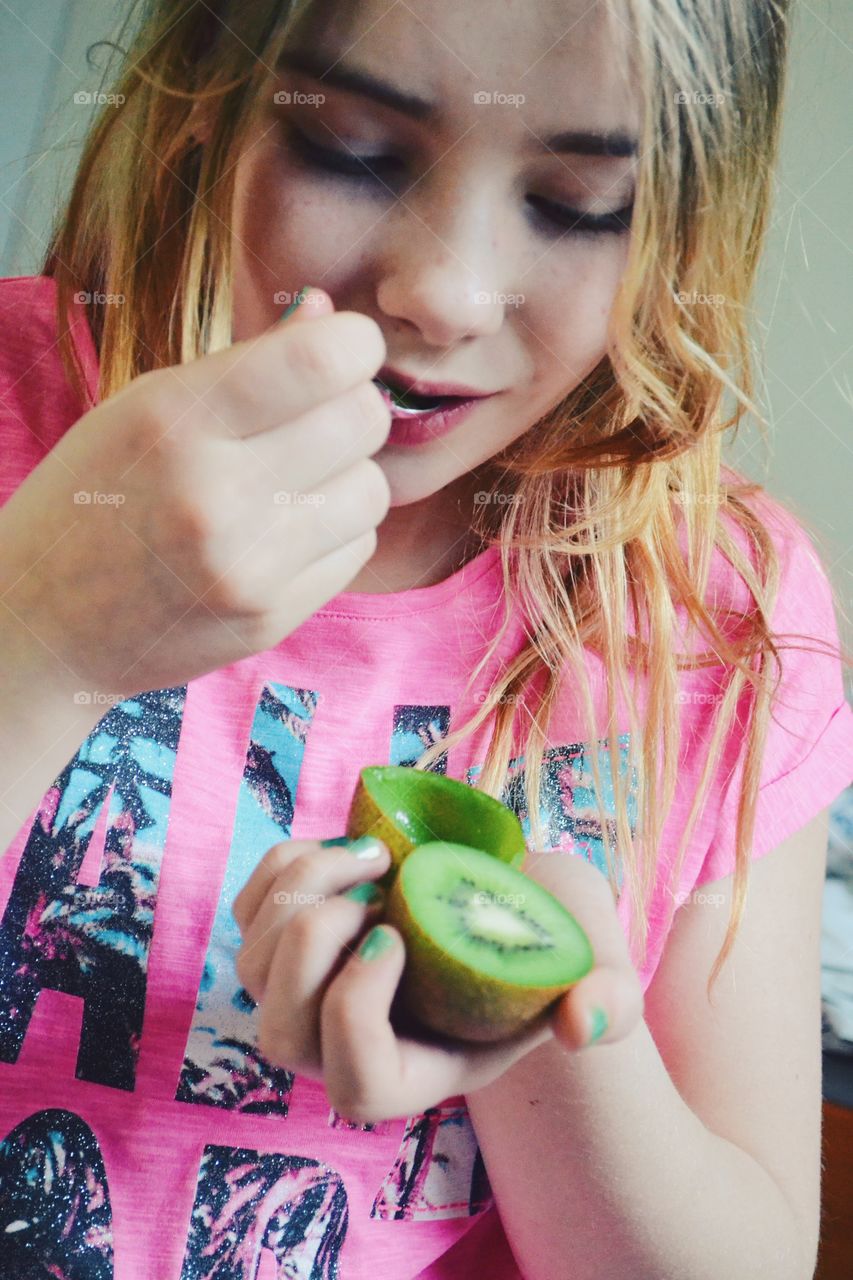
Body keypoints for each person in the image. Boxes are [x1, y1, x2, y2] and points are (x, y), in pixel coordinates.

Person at [0, 0, 850, 1275]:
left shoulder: (720, 609)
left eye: (573, 200)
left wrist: (550, 1019)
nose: (443, 295)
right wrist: (41, 639)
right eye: (351, 147)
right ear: (202, 108)